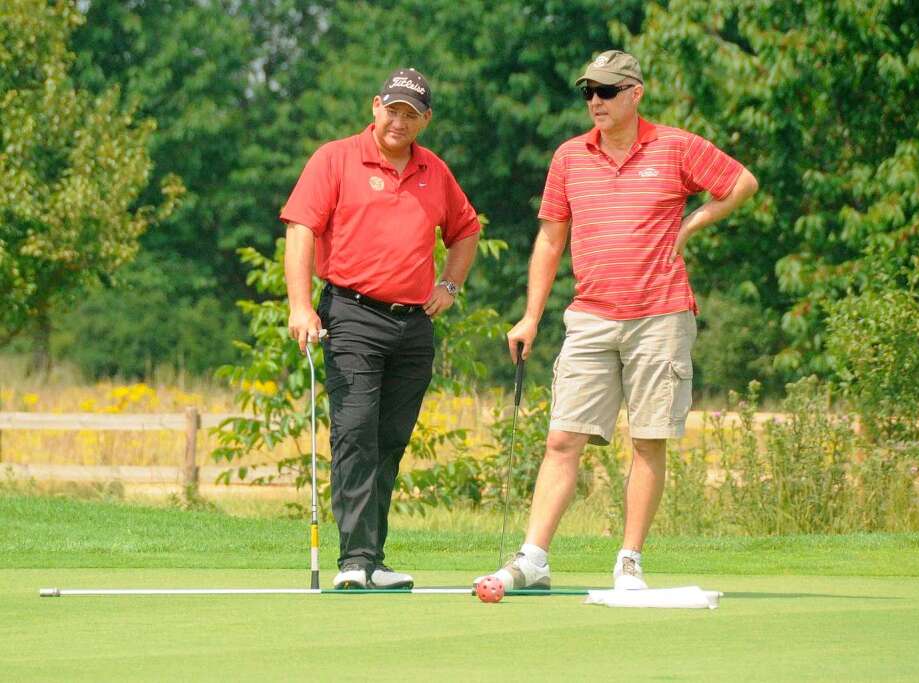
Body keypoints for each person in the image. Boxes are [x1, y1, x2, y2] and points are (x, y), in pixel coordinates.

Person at [479, 50, 758, 591]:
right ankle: (533, 558)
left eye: (606, 91)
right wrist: (530, 316)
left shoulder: (675, 146)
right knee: (563, 438)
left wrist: (691, 224)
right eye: (588, 92)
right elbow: (550, 238)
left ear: (635, 94)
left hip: (661, 316)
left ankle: (629, 558)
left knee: (648, 440)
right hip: (590, 317)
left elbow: (741, 183)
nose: (595, 102)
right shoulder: (569, 157)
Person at [282, 68, 480, 589]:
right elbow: (301, 230)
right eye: (392, 109)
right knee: (354, 434)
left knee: (389, 440)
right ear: (375, 107)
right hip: (351, 314)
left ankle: (374, 559)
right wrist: (301, 306)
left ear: (425, 121)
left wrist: (451, 286)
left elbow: (466, 230)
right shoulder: (335, 159)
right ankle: (355, 561)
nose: (399, 120)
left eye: (410, 114)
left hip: (413, 325)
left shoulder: (435, 171)